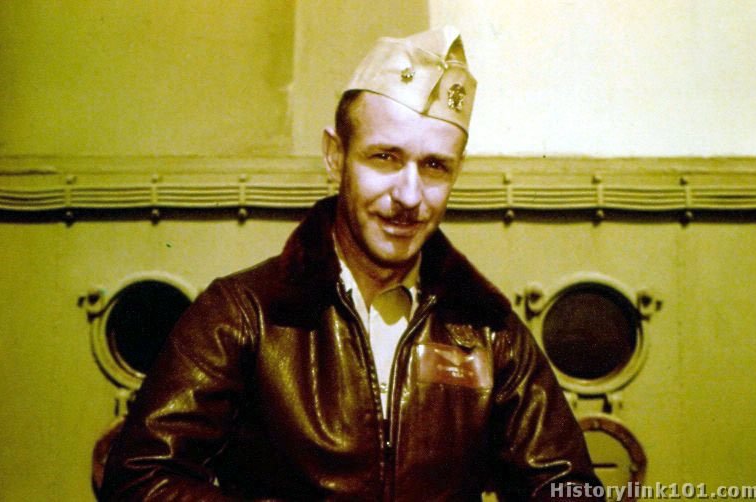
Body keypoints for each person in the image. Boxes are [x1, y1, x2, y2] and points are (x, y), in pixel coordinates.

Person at [102, 26, 602, 501]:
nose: (409, 196)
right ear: (335, 156)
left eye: (434, 166)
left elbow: (566, 486)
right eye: (385, 158)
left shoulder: (489, 331)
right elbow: (140, 480)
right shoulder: (245, 315)